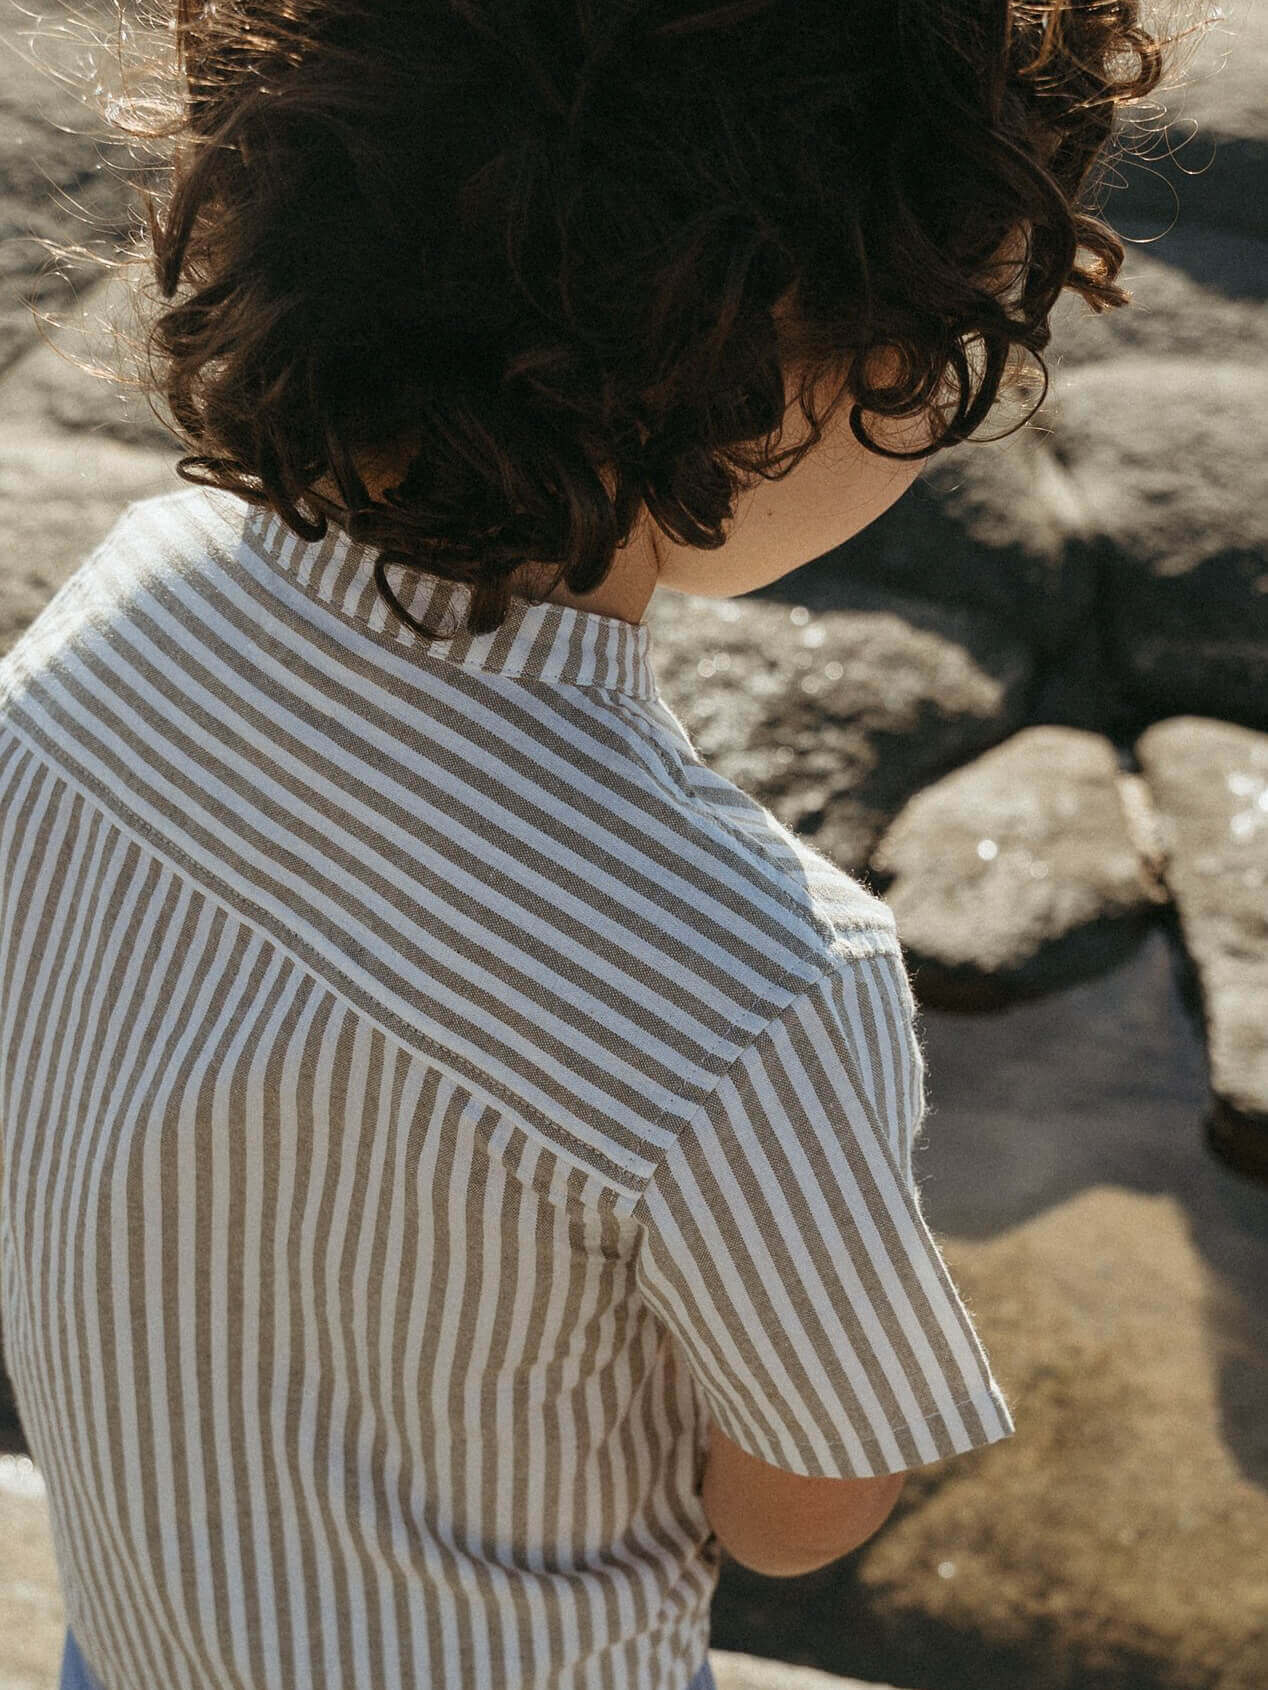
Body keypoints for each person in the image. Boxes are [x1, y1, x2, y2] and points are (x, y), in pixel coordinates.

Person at [0, 1, 1201, 1686]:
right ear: (790, 356)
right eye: (941, 354)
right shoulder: (763, 979)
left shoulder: (112, 616)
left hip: (136, 1647)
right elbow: (801, 1503)